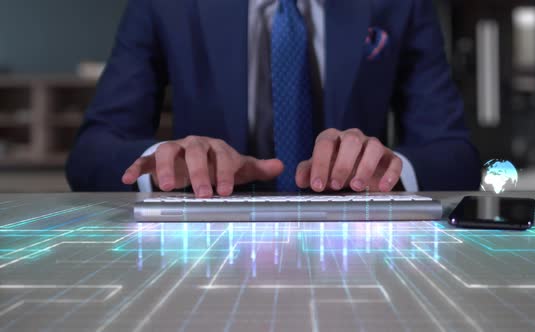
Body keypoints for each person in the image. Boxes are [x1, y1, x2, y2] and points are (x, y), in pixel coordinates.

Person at [66, 0, 481, 197]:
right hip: (206, 246)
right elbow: (91, 153)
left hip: (356, 243)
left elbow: (454, 155)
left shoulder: (400, 5)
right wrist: (162, 164)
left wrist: (393, 171)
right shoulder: (165, 6)